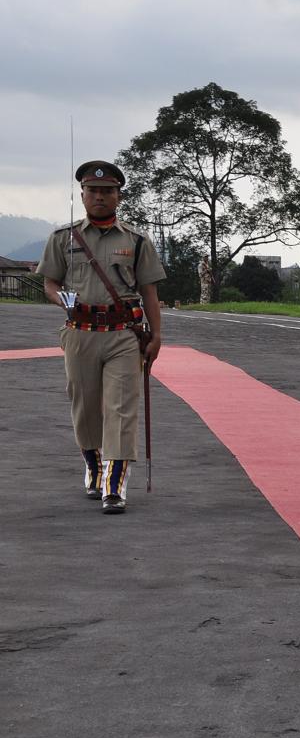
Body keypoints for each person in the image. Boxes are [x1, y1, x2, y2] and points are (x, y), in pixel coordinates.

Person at [36, 159, 165, 514]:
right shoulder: (63, 239)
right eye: (93, 191)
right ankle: (93, 464)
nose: (100, 197)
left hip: (123, 334)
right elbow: (49, 282)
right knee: (85, 407)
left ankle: (114, 484)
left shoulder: (137, 241)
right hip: (80, 333)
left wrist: (156, 336)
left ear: (118, 197)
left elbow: (150, 292)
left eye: (107, 191)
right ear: (82, 194)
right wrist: (58, 297)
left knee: (121, 408)